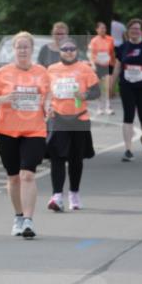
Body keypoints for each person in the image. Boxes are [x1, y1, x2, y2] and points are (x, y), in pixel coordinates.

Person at [0, 32, 51, 238]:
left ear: (32, 50)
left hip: (34, 130)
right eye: (19, 47)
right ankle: (19, 216)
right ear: (14, 50)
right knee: (13, 178)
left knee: (27, 174)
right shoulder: (2, 73)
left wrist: (49, 106)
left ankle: (29, 221)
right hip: (7, 130)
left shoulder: (42, 72)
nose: (22, 50)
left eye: (26, 47)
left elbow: (48, 95)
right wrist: (4, 98)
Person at [45, 40, 100, 211]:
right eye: (65, 49)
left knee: (76, 159)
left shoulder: (85, 68)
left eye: (72, 49)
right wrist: (46, 107)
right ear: (59, 51)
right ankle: (57, 196)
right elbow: (45, 92)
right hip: (57, 117)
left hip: (79, 118)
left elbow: (96, 92)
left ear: (76, 51)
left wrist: (84, 95)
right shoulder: (51, 69)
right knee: (57, 157)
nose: (69, 52)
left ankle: (74, 193)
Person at [111, 18, 142, 161]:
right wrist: (111, 85)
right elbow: (117, 68)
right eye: (132, 29)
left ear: (141, 31)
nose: (135, 31)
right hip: (127, 86)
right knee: (128, 116)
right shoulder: (123, 48)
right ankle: (128, 150)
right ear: (128, 31)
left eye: (137, 29)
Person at [88, 21, 115, 114]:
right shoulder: (94, 41)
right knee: (99, 87)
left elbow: (112, 52)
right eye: (101, 28)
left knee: (107, 86)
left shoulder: (110, 39)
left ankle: (108, 106)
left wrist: (113, 63)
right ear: (97, 30)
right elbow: (91, 54)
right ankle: (99, 107)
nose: (103, 30)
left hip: (108, 64)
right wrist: (93, 65)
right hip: (98, 65)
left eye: (104, 28)